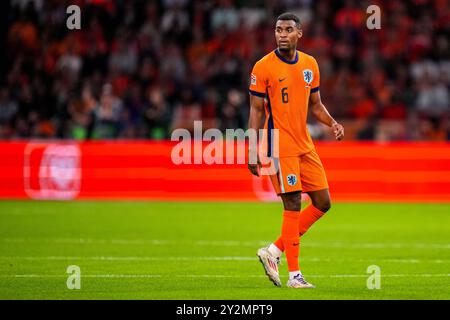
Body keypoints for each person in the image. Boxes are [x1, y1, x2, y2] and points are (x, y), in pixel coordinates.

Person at [247, 13, 344, 288]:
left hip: (304, 144)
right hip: (279, 144)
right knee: (291, 203)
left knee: (323, 202)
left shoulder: (310, 64)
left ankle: (273, 251)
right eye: (278, 29)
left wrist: (333, 123)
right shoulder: (263, 67)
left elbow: (316, 104)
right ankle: (295, 275)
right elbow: (255, 111)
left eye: (288, 30)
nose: (282, 34)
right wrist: (253, 149)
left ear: (299, 33)